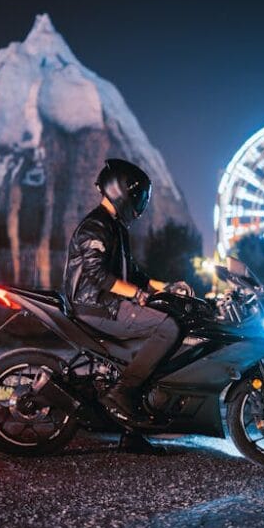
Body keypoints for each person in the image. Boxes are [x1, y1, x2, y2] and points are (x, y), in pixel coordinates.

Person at [63, 158, 191, 445]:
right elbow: (97, 275)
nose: (140, 204)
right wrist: (135, 294)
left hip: (105, 303)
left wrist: (166, 288)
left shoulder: (114, 227)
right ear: (121, 190)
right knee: (168, 328)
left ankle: (131, 433)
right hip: (95, 306)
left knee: (152, 332)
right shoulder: (96, 226)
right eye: (138, 196)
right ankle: (122, 392)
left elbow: (133, 273)